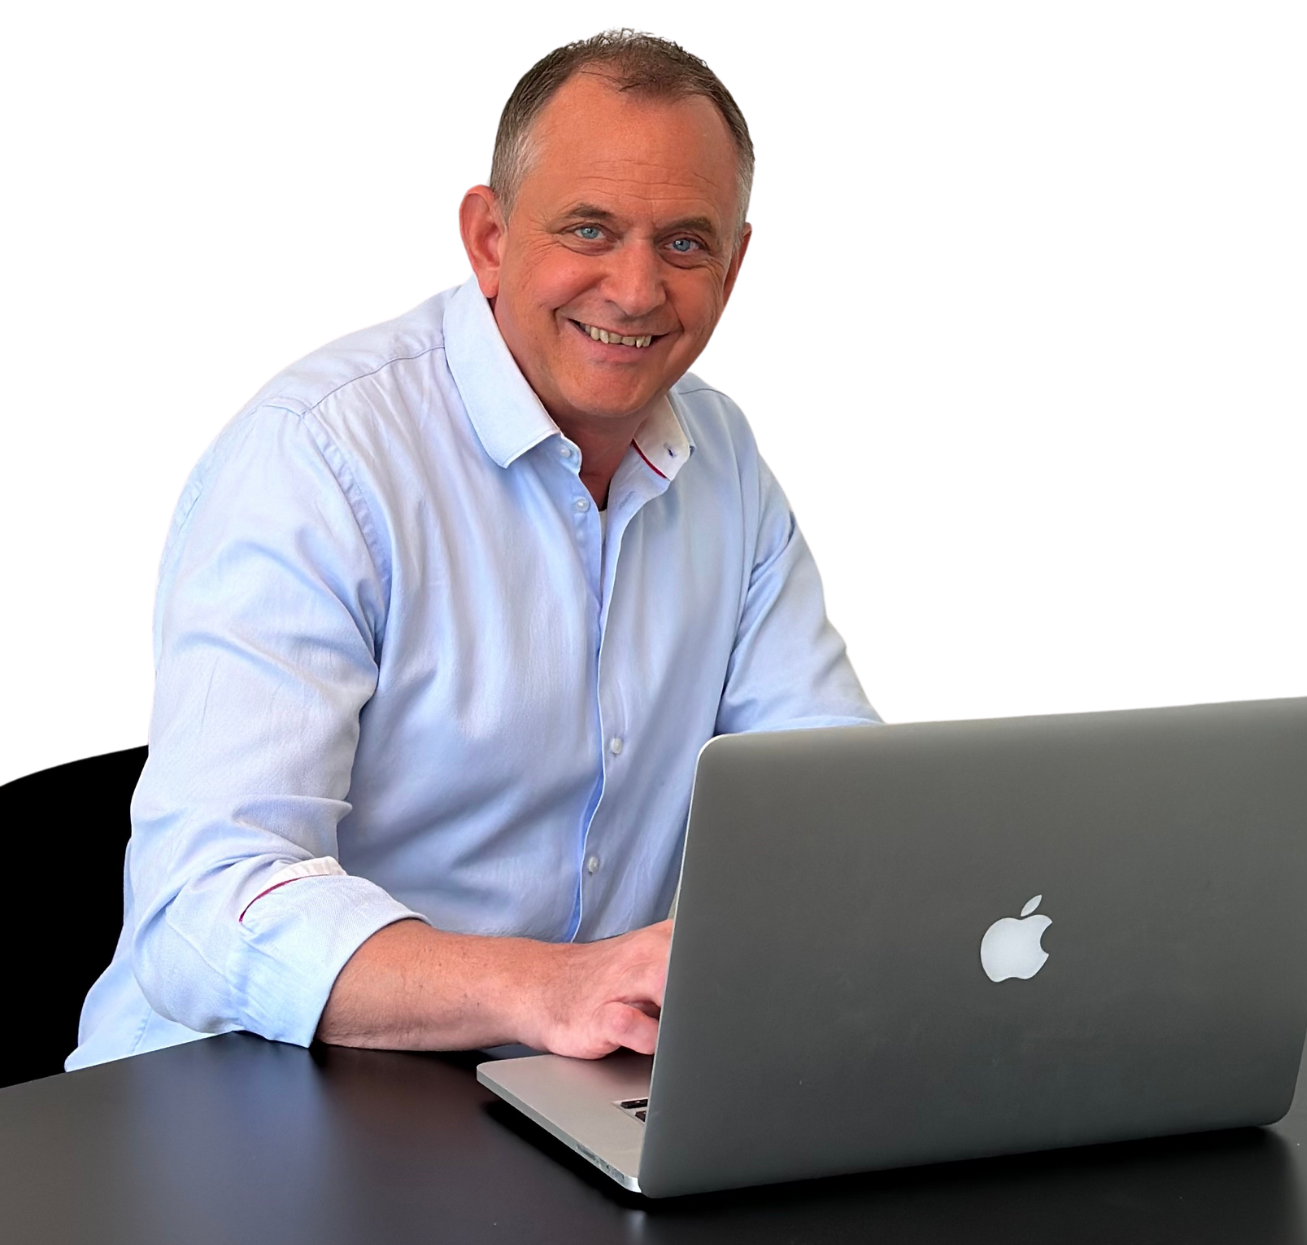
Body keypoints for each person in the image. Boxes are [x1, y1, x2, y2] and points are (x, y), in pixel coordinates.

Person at [66, 27, 882, 1073]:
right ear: (488, 237)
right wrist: (551, 986)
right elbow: (204, 906)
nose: (636, 289)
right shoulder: (317, 457)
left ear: (731, 271)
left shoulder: (728, 464)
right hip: (233, 1088)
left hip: (551, 1083)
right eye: (589, 230)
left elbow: (830, 808)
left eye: (685, 244)